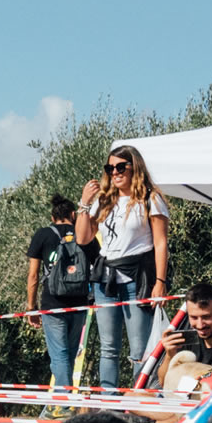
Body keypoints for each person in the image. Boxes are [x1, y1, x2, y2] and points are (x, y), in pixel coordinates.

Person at [75, 144, 172, 386]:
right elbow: (83, 238)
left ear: (134, 168)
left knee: (139, 349)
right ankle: (110, 403)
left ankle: (141, 403)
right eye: (110, 168)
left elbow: (161, 243)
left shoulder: (150, 199)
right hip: (105, 279)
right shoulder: (104, 200)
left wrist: (160, 282)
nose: (115, 172)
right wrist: (85, 204)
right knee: (108, 348)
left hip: (136, 278)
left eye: (121, 167)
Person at [21, 195, 89, 401]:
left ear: (53, 216)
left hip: (53, 303)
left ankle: (63, 403)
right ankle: (63, 399)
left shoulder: (43, 234)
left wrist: (31, 307)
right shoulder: (83, 234)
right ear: (73, 215)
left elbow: (33, 275)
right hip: (79, 302)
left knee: (59, 354)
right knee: (68, 355)